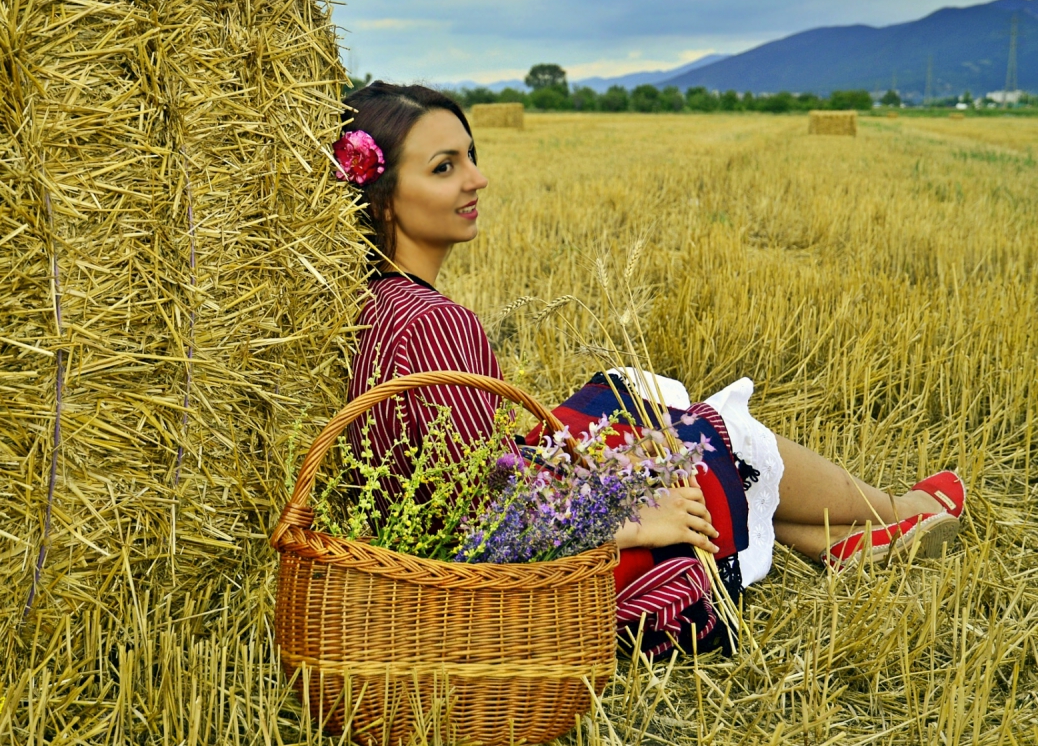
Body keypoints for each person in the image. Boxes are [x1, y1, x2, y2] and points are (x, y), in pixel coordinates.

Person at [340, 81, 965, 590]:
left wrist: (593, 464)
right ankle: (892, 509)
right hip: (512, 581)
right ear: (385, 197)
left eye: (471, 156)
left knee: (625, 406)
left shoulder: (373, 299)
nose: (476, 179)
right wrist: (623, 517)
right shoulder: (430, 323)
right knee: (694, 441)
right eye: (445, 167)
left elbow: (462, 478)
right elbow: (476, 529)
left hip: (468, 529)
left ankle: (841, 540)